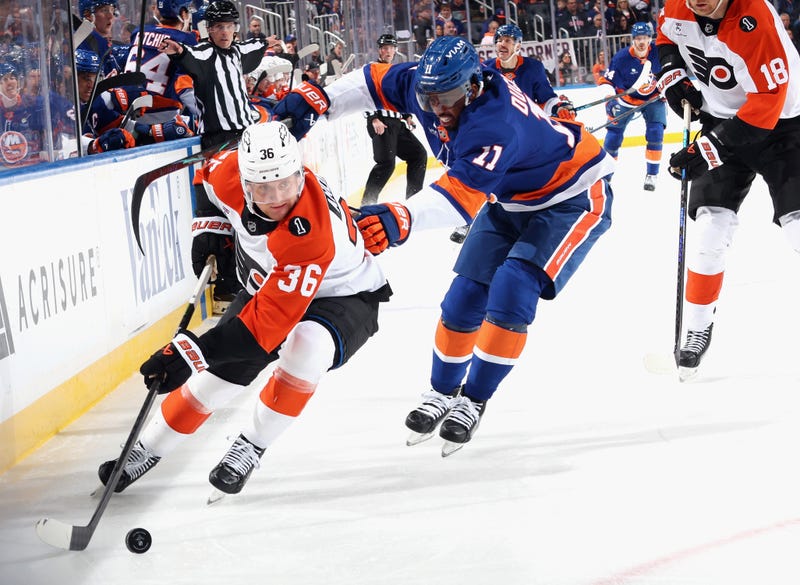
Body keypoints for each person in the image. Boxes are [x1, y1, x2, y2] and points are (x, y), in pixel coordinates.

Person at [299, 36, 615, 453]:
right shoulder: (427, 88)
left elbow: (460, 198)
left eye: (447, 98)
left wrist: (403, 217)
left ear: (473, 86)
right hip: (511, 197)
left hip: (572, 197)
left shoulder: (494, 122)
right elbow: (370, 81)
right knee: (463, 298)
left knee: (513, 288)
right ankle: (442, 392)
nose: (438, 110)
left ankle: (474, 399)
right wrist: (316, 99)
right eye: (429, 99)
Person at [97, 121, 392, 495]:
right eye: (263, 188)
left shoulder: (311, 235)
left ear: (301, 174)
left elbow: (260, 332)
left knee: (306, 347)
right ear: (244, 181)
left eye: (286, 183)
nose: (277, 197)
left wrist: (190, 352)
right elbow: (205, 176)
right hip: (270, 284)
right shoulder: (229, 175)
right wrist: (210, 227)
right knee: (215, 377)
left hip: (343, 294)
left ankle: (251, 445)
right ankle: (147, 449)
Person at [656, 0, 800, 379]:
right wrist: (673, 75)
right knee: (708, 228)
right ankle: (698, 326)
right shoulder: (678, 7)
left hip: (784, 127)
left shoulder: (755, 21)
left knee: (798, 228)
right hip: (721, 120)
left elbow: (769, 99)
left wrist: (708, 148)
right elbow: (665, 37)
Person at [158, 0, 269, 148]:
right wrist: (178, 50)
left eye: (229, 26)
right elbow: (189, 53)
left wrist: (267, 42)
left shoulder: (237, 50)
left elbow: (253, 45)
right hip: (217, 138)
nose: (225, 32)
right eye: (219, 26)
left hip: (245, 132)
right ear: (209, 29)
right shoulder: (205, 52)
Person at [361, 33, 427, 206]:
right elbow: (363, 95)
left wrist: (406, 116)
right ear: (379, 50)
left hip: (397, 123)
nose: (388, 51)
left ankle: (413, 201)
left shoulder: (395, 70)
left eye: (391, 47)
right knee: (386, 164)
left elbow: (398, 97)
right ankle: (367, 203)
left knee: (418, 155)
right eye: (384, 48)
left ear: (396, 50)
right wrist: (373, 118)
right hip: (381, 122)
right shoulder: (372, 68)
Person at [599, 21, 664, 191]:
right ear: (633, 40)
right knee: (613, 136)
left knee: (656, 132)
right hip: (626, 99)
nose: (642, 42)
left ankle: (652, 175)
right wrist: (610, 99)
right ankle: (606, 175)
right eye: (638, 38)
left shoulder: (658, 52)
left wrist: (670, 89)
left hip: (653, 98)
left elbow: (672, 70)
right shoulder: (621, 58)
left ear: (650, 38)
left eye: (645, 38)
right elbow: (607, 80)